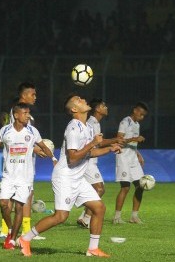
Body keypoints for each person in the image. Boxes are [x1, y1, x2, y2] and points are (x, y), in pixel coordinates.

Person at [17, 94, 121, 257]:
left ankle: (93, 249)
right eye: (79, 100)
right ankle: (25, 238)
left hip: (78, 178)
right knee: (60, 216)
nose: (84, 100)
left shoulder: (88, 127)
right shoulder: (73, 128)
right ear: (74, 109)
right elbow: (73, 157)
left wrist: (109, 149)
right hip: (65, 176)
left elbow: (89, 153)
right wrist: (93, 143)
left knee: (99, 208)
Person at [0, 103, 57, 250]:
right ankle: (11, 230)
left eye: (28, 113)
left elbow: (43, 147)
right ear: (16, 115)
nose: (28, 116)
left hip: (25, 177)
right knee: (3, 203)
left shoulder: (32, 131)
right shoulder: (5, 131)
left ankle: (11, 240)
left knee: (19, 207)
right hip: (8, 176)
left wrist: (54, 160)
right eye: (25, 113)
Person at [0, 82, 46, 240]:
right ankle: (19, 230)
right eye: (33, 94)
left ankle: (7, 229)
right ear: (23, 95)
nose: (35, 97)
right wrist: (35, 149)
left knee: (15, 197)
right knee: (21, 196)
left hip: (24, 161)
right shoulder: (17, 114)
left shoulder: (25, 114)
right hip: (19, 163)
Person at [77, 98, 124, 228]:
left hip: (89, 161)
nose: (106, 107)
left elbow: (99, 141)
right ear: (97, 109)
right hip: (88, 161)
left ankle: (83, 216)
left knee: (93, 190)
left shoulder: (94, 122)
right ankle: (86, 219)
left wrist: (113, 143)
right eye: (103, 105)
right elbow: (99, 142)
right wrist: (115, 140)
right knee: (99, 189)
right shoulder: (92, 122)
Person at [112, 102, 148, 224]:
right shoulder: (125, 122)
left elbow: (133, 144)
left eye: (144, 115)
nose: (142, 117)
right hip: (123, 157)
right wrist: (134, 139)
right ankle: (117, 217)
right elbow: (119, 139)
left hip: (133, 158)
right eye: (141, 114)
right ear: (135, 110)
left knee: (141, 186)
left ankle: (134, 216)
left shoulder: (136, 124)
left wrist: (138, 154)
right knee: (125, 187)